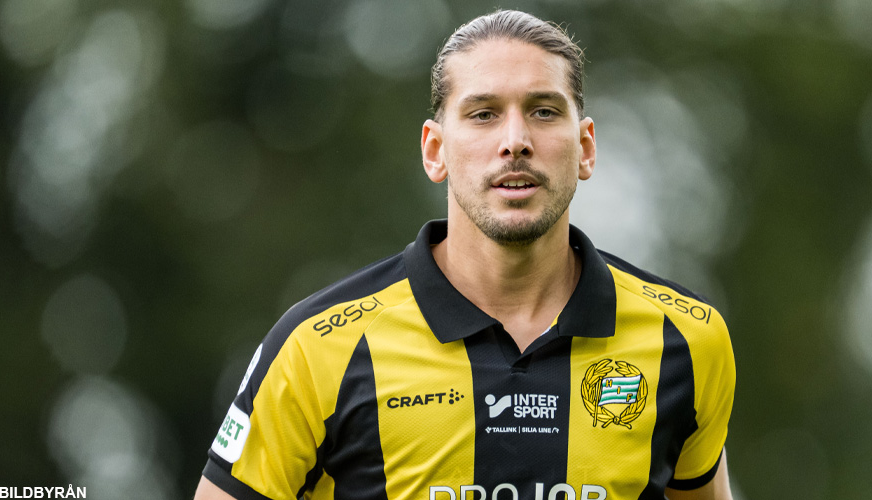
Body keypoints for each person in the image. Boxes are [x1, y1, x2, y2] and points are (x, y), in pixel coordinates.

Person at [194, 9, 735, 500]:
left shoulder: (687, 339)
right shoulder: (317, 346)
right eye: (483, 114)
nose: (516, 140)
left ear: (585, 147)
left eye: (544, 111)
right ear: (436, 151)